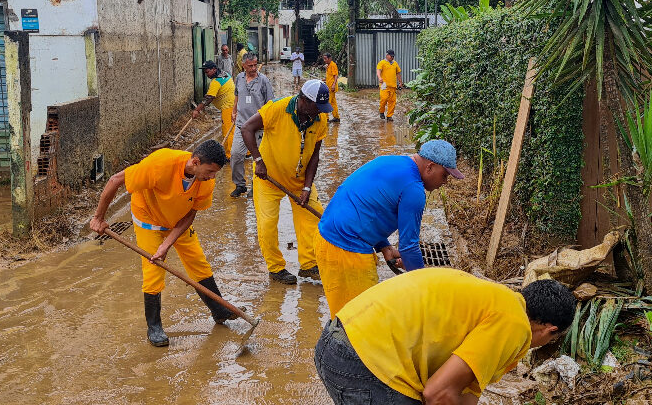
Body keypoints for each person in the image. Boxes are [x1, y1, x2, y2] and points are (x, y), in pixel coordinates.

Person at [315, 270, 576, 404]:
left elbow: (466, 390)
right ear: (550, 330)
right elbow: (438, 393)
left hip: (337, 340)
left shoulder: (495, 300)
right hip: (365, 362)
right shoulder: (515, 324)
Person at [89, 140, 237, 347]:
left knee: (198, 261)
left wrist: (167, 243)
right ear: (195, 162)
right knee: (153, 271)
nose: (212, 177)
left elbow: (190, 215)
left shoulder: (206, 182)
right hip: (149, 219)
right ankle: (154, 326)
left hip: (178, 221)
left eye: (215, 173)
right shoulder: (160, 164)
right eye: (210, 171)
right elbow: (115, 180)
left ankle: (219, 310)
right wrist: (98, 217)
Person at [315, 140, 464, 317]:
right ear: (430, 167)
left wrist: (385, 247)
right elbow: (409, 247)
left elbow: (368, 209)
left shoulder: (389, 162)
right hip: (347, 251)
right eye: (444, 175)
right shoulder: (414, 190)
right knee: (361, 322)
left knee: (347, 318)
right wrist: (424, 288)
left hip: (326, 239)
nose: (444, 182)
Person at [240, 79, 332, 284]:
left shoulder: (320, 119)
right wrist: (258, 160)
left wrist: (307, 186)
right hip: (268, 179)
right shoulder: (278, 109)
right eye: (317, 107)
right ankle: (276, 268)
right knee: (267, 224)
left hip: (299, 180)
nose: (320, 112)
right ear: (304, 100)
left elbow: (315, 156)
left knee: (313, 218)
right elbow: (246, 128)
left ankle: (309, 265)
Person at [230, 53, 275, 198]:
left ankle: (256, 186)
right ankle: (240, 185)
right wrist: (234, 110)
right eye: (250, 65)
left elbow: (270, 104)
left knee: (258, 158)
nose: (254, 68)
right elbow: (237, 95)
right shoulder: (239, 78)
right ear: (243, 65)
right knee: (236, 155)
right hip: (241, 126)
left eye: (255, 64)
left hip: (258, 128)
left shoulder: (264, 81)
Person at [192, 61, 235, 158]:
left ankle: (229, 156)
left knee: (228, 131)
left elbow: (209, 98)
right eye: (205, 72)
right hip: (235, 104)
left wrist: (197, 110)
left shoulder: (216, 82)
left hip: (228, 107)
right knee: (236, 130)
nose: (206, 74)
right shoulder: (225, 74)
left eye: (207, 72)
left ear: (214, 69)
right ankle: (246, 153)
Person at [376, 49, 403, 121]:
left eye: (393, 56)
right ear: (387, 55)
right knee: (384, 99)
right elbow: (378, 70)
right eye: (391, 56)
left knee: (392, 101)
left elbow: (398, 73)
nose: (392, 57)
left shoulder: (395, 63)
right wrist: (379, 77)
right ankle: (381, 112)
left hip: (393, 85)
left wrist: (400, 82)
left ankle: (389, 116)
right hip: (384, 84)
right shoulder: (382, 63)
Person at [322, 53, 340, 123]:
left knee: (327, 102)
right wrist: (324, 79)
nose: (324, 60)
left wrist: (333, 85)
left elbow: (335, 76)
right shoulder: (328, 66)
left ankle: (326, 118)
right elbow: (329, 76)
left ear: (330, 58)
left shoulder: (333, 65)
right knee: (333, 102)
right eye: (324, 59)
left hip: (331, 87)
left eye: (325, 59)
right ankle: (336, 117)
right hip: (328, 86)